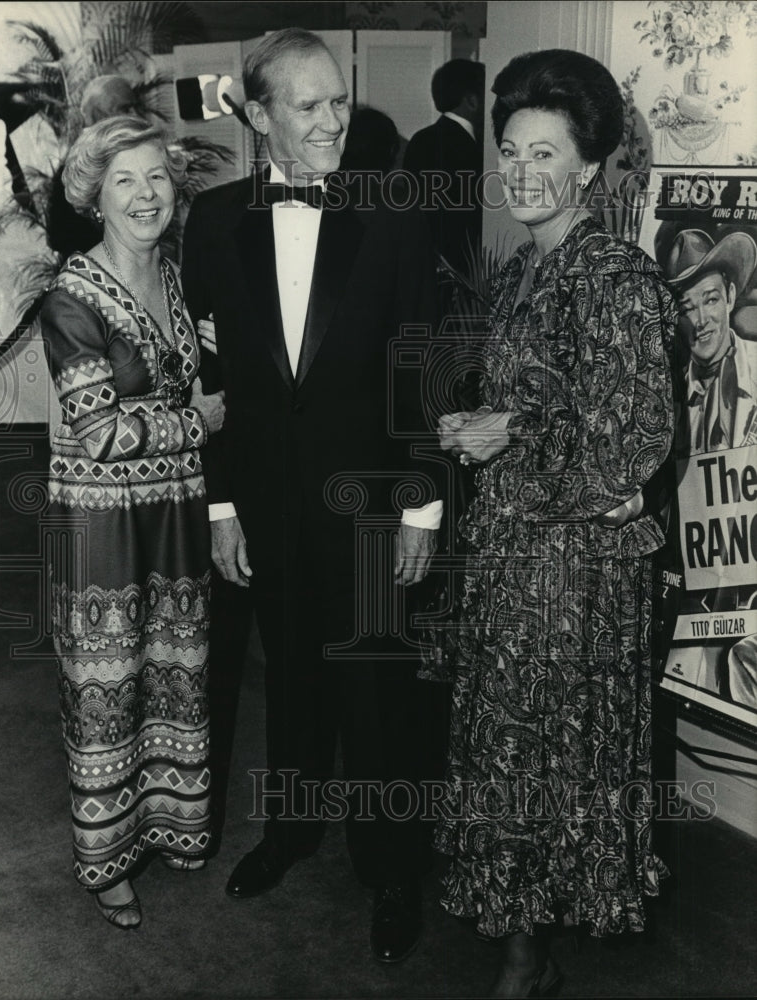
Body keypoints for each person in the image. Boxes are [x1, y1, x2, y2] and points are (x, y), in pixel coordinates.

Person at [181, 28, 442, 963]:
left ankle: (390, 868)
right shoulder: (210, 222)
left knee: (378, 696)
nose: (334, 120)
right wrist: (219, 508)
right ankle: (289, 832)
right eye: (309, 105)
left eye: (339, 100)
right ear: (257, 117)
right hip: (265, 510)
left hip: (374, 511)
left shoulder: (398, 215)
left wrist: (420, 505)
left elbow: (423, 368)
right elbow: (202, 376)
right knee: (289, 684)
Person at [432, 50, 676, 996]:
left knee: (543, 761)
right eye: (508, 149)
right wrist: (489, 427)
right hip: (517, 565)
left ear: (586, 166)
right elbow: (561, 414)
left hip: (572, 584)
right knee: (513, 758)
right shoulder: (530, 273)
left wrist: (511, 437)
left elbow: (632, 447)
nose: (522, 171)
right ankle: (520, 941)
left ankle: (526, 957)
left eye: (545, 152)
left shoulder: (611, 272)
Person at [41, 116, 225, 930]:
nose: (145, 194)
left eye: (156, 176)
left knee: (174, 675)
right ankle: (105, 862)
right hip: (103, 528)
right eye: (124, 181)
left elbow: (184, 368)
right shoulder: (70, 296)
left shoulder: (178, 277)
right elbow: (101, 431)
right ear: (93, 196)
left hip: (177, 514)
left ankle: (167, 829)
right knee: (109, 690)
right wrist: (200, 419)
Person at [664, 228, 757, 455]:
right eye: (687, 309)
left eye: (711, 300)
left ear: (730, 297)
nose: (701, 321)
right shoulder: (670, 397)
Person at [403, 59, 485, 274]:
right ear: (472, 100)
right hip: (463, 268)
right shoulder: (473, 148)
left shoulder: (420, 140)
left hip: (423, 262)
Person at [46, 75, 138, 259]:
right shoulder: (76, 167)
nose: (135, 115)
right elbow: (58, 237)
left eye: (135, 108)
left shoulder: (128, 158)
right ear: (100, 115)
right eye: (126, 108)